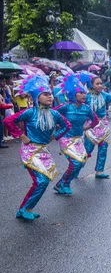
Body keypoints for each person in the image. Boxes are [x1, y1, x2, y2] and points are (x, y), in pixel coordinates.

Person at [3, 75, 71, 220]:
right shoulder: (31, 112)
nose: (49, 97)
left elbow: (67, 126)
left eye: (50, 94)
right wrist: (21, 136)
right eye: (45, 94)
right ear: (37, 97)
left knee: (42, 181)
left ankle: (24, 209)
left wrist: (54, 136)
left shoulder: (54, 113)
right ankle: (25, 209)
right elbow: (9, 121)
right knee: (41, 181)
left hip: (43, 151)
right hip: (30, 150)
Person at [54, 74, 99, 194]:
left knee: (82, 161)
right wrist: (59, 125)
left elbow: (95, 120)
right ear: (72, 94)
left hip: (79, 138)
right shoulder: (65, 107)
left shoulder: (86, 108)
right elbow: (51, 115)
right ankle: (65, 184)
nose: (84, 95)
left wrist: (86, 128)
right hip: (65, 138)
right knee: (76, 162)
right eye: (80, 93)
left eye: (84, 93)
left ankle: (60, 184)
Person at [82, 73, 111, 179]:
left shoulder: (105, 95)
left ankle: (99, 171)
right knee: (87, 150)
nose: (100, 85)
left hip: (103, 126)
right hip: (90, 126)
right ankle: (76, 168)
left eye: (101, 83)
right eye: (97, 84)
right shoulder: (86, 96)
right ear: (91, 85)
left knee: (103, 148)